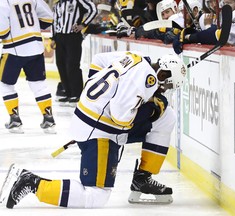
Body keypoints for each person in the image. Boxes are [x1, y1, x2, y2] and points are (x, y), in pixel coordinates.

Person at [0, 51, 187, 208]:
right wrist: (149, 109)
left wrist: (98, 100)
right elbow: (120, 117)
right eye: (167, 85)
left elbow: (98, 60)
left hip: (88, 117)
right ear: (162, 74)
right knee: (97, 196)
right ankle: (32, 183)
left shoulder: (134, 57)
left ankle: (142, 178)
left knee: (166, 116)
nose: (164, 90)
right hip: (100, 131)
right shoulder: (149, 79)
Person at [0, 0, 56, 134]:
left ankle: (15, 120)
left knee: (5, 84)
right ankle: (49, 119)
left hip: (14, 49)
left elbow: (3, 31)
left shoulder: (4, 2)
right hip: (36, 46)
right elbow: (48, 17)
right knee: (39, 84)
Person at [50, 0, 97, 107]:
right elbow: (54, 21)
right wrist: (53, 37)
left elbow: (93, 9)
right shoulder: (58, 3)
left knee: (72, 65)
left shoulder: (78, 1)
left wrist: (83, 24)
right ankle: (68, 92)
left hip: (73, 36)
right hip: (59, 37)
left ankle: (76, 93)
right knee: (60, 65)